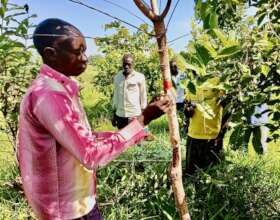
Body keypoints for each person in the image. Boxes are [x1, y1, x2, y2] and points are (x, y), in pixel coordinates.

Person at [16, 18, 171, 220]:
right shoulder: (50, 94)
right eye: (77, 51)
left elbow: (79, 139)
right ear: (50, 54)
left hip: (74, 202)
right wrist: (143, 120)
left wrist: (130, 129)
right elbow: (90, 155)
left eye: (85, 50)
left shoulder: (61, 87)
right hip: (67, 210)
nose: (85, 58)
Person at [184, 76, 226, 175]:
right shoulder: (192, 82)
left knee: (212, 173)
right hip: (193, 135)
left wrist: (222, 132)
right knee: (191, 172)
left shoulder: (218, 81)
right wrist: (188, 110)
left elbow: (227, 108)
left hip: (212, 137)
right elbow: (187, 106)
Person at [112, 54, 147, 129]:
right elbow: (115, 96)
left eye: (129, 64)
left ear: (133, 64)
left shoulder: (140, 77)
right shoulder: (117, 77)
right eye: (124, 64)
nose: (126, 66)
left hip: (134, 115)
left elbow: (143, 96)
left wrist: (143, 116)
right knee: (122, 139)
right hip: (120, 115)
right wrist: (114, 115)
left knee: (135, 139)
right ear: (122, 64)